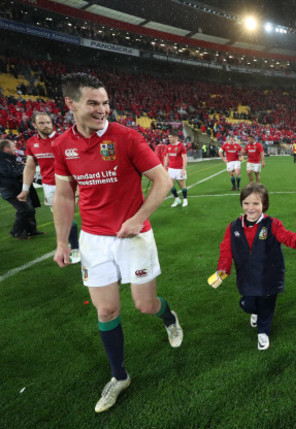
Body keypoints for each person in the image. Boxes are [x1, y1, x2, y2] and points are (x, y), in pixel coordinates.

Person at [52, 73, 183, 413]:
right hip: (93, 240)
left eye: (106, 102)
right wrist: (63, 242)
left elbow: (162, 181)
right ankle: (119, 375)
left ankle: (168, 316)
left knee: (145, 305)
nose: (102, 109)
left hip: (134, 235)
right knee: (107, 310)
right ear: (71, 104)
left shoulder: (126, 137)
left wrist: (138, 217)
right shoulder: (62, 145)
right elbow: (65, 195)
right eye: (93, 103)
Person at [215, 183, 296, 350]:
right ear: (242, 204)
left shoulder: (273, 224)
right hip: (247, 276)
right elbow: (226, 249)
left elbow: (287, 237)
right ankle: (254, 312)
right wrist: (223, 269)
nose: (251, 208)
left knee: (266, 306)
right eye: (246, 203)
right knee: (247, 304)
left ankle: (263, 332)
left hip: (269, 276)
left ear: (264, 204)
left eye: (256, 203)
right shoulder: (234, 227)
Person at [17, 112, 80, 262]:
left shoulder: (64, 139)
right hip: (49, 186)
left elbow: (77, 163)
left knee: (69, 216)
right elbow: (30, 167)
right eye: (42, 123)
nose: (46, 125)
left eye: (48, 122)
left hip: (69, 184)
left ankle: (76, 248)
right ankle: (71, 248)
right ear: (34, 125)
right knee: (61, 218)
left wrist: (78, 186)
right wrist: (25, 189)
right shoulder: (32, 143)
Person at [0, 139, 41, 240]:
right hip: (10, 190)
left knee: (30, 209)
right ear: (6, 148)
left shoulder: (11, 158)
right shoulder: (1, 160)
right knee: (24, 210)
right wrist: (23, 168)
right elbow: (10, 173)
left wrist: (22, 167)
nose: (16, 148)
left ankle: (31, 230)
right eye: (13, 146)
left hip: (18, 187)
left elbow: (17, 169)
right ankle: (17, 232)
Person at [163, 130, 188, 207]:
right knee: (170, 184)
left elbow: (184, 158)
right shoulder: (168, 147)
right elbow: (166, 158)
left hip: (179, 169)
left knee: (182, 185)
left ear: (176, 137)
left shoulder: (181, 146)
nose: (169, 139)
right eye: (168, 137)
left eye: (171, 137)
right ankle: (177, 199)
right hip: (171, 169)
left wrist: (184, 169)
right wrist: (164, 169)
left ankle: (185, 200)